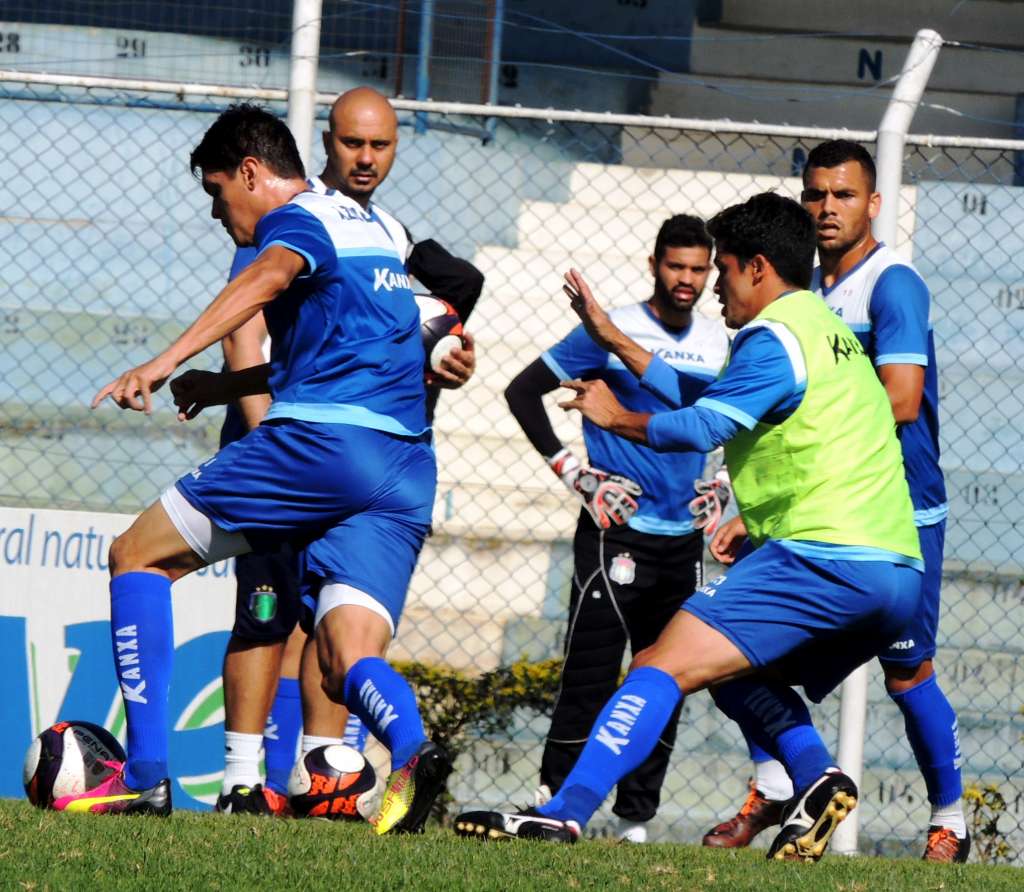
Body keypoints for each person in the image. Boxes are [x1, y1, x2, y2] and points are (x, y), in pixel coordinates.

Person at [453, 192, 923, 863]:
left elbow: (704, 425)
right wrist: (615, 340)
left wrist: (618, 420)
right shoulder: (821, 328)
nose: (715, 291)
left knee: (657, 664)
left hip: (822, 558)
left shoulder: (772, 337)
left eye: (724, 270)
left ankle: (563, 812)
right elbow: (712, 399)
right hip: (893, 571)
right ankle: (816, 779)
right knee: (731, 675)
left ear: (756, 267)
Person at [55, 104, 451, 835]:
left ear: (250, 173)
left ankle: (143, 778)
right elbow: (343, 347)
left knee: (136, 557)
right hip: (405, 467)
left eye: (216, 194)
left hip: (323, 446)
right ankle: (410, 747)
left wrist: (162, 361)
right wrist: (221, 385)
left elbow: (268, 277)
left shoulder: (297, 219)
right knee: (344, 653)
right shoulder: (377, 228)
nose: (218, 213)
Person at [215, 86, 483, 816]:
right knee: (264, 612)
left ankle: (322, 778)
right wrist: (275, 439)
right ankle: (241, 781)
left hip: (344, 453)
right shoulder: (282, 221)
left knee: (325, 619)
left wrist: (447, 361)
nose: (365, 159)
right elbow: (244, 334)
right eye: (352, 144)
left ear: (395, 150)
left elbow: (414, 331)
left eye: (380, 146)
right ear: (327, 144)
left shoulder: (390, 233)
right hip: (279, 441)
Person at [704, 140, 967, 862]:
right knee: (732, 651)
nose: (826, 208)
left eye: (843, 195)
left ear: (873, 203)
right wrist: (745, 504)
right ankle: (781, 782)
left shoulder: (894, 285)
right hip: (820, 512)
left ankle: (950, 820)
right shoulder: (797, 295)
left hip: (898, 515)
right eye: (815, 194)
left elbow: (902, 401)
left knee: (907, 671)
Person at [504, 214, 730, 843]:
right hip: (615, 532)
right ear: (655, 264)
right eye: (675, 266)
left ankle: (635, 818)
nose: (685, 280)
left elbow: (737, 422)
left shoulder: (720, 342)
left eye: (697, 269)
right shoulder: (612, 330)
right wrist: (575, 474)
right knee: (592, 670)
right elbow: (522, 391)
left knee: (665, 675)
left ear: (709, 271)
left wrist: (724, 483)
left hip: (682, 538)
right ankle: (552, 794)